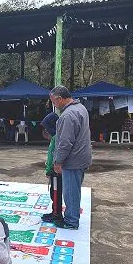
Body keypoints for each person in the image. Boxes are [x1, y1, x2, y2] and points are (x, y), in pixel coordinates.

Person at [49, 86, 92, 230]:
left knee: (71, 192)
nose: (54, 105)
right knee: (75, 189)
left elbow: (65, 142)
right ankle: (72, 217)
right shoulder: (81, 108)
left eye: (54, 102)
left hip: (72, 160)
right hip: (82, 157)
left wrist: (58, 161)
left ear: (60, 99)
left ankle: (71, 221)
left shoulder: (67, 115)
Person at [41, 111, 64, 227]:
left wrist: (49, 169)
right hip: (53, 170)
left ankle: (57, 214)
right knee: (54, 193)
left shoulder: (57, 138)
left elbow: (53, 156)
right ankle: (55, 211)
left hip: (56, 171)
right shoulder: (54, 137)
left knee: (56, 193)